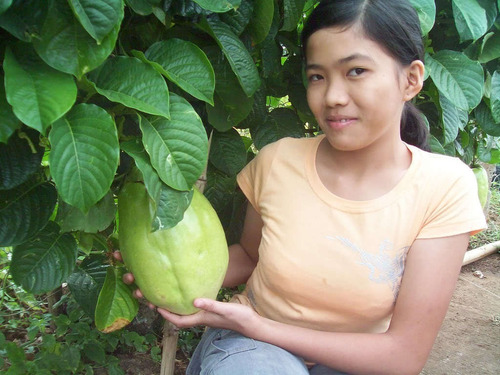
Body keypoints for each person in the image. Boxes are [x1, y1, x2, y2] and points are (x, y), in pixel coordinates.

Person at [121, 0, 487, 373]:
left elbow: (403, 356)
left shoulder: (444, 186)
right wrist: (166, 270)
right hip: (252, 351)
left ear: (410, 79)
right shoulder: (277, 161)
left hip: (359, 359)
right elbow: (249, 257)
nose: (332, 97)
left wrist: (262, 326)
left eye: (356, 71)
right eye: (317, 76)